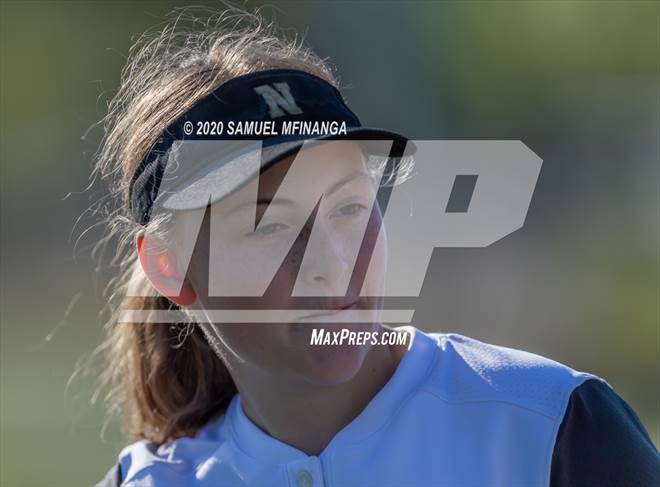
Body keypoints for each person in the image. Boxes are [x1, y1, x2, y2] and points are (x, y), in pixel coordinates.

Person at [93, 8, 659, 487]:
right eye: (270, 227)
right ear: (167, 266)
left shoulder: (551, 427)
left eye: (348, 209)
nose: (332, 263)